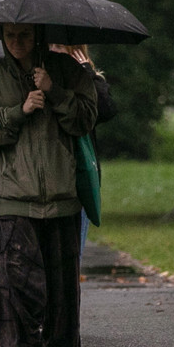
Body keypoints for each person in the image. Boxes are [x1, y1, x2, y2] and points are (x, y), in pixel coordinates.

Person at [0, 23, 97, 347]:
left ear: (38, 35)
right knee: (14, 291)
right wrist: (19, 111)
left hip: (61, 198)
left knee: (61, 292)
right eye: (10, 35)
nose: (16, 42)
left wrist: (54, 91)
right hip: (14, 199)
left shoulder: (69, 71)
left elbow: (87, 119)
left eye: (24, 35)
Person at [49, 44, 118, 250]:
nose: (53, 50)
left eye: (59, 46)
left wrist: (88, 75)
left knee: (73, 251)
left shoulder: (87, 81)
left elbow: (106, 109)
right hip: (50, 176)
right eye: (50, 45)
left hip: (78, 177)